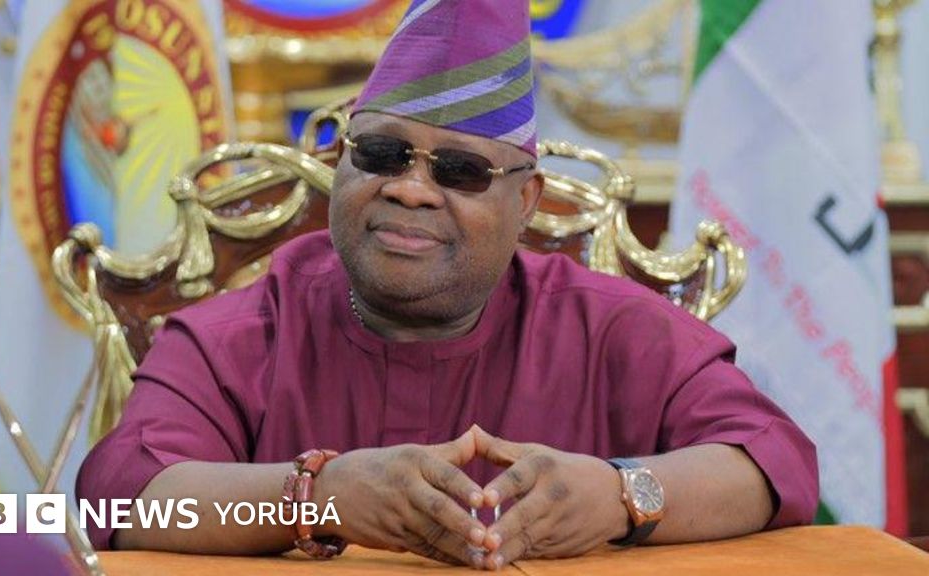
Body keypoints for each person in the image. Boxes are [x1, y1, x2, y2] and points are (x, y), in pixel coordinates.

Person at [76, 0, 818, 570]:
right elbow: (120, 499)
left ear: (526, 201)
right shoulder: (234, 337)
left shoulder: (615, 329)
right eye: (382, 153)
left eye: (461, 171)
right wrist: (313, 500)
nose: (410, 189)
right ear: (341, 162)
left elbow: (774, 461)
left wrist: (623, 495)